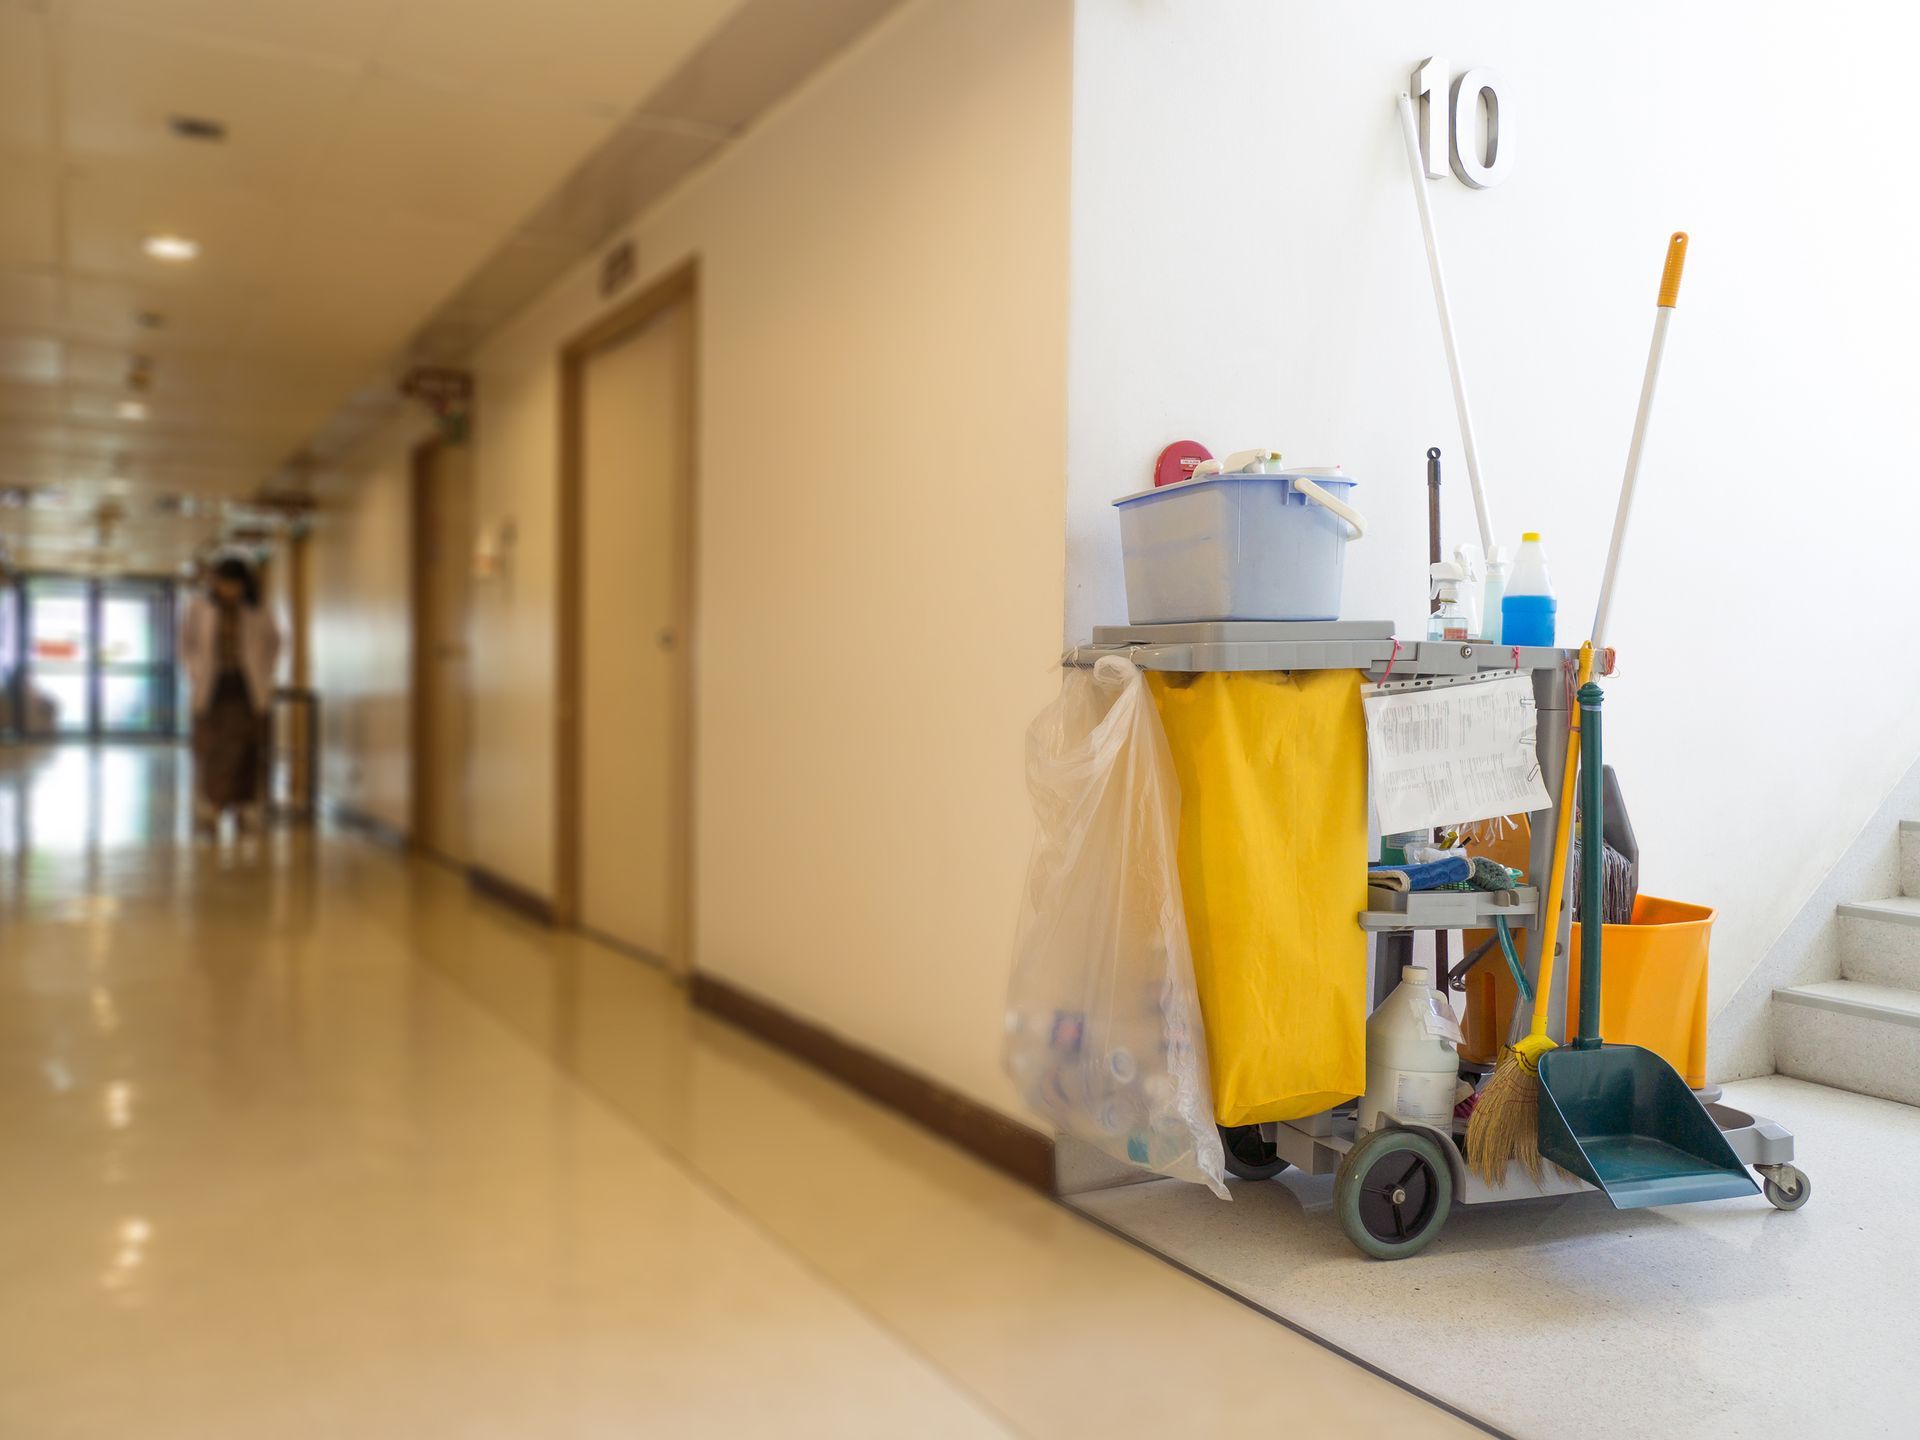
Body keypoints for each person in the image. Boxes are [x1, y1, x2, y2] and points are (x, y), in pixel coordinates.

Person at [180, 556, 281, 836]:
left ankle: (241, 807)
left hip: (247, 690)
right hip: (212, 689)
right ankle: (214, 806)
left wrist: (265, 672)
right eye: (223, 583)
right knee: (212, 751)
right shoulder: (199, 608)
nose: (228, 589)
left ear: (244, 584)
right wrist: (195, 671)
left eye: (234, 584)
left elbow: (275, 643)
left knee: (245, 750)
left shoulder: (259, 610)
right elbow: (186, 643)